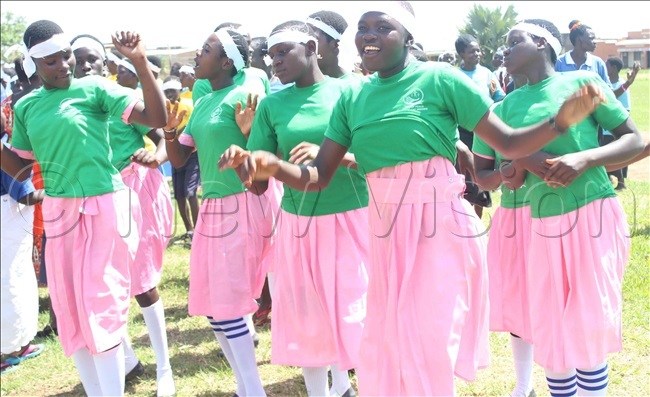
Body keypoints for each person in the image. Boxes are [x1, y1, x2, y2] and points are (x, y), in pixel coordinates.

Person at [218, 3, 613, 396]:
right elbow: (319, 176)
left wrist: (558, 123)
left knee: (430, 342)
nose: (368, 35)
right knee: (392, 349)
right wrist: (273, 165)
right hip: (385, 235)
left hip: (438, 229)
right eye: (363, 27)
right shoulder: (353, 97)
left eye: (381, 27)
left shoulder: (441, 79)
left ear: (407, 36)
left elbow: (507, 141)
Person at [1, 20, 167, 396]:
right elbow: (22, 165)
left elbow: (158, 120)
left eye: (65, 56)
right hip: (60, 213)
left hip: (104, 205)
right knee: (71, 305)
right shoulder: (27, 107)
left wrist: (140, 61)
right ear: (33, 64)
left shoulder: (95, 89)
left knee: (101, 301)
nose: (62, 65)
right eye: (50, 61)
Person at [493, 19, 643, 397]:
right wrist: (514, 167)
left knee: (589, 317)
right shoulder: (506, 105)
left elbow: (634, 141)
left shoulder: (580, 83)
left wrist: (585, 159)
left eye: (514, 41)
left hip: (591, 211)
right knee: (552, 323)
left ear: (543, 44)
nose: (505, 50)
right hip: (540, 220)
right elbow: (508, 170)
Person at [243, 20, 369, 397]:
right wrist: (245, 164)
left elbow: (379, 157)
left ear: (312, 47)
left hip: (354, 218)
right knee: (308, 319)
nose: (275, 61)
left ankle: (361, 385)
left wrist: (334, 156)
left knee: (359, 316)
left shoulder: (353, 90)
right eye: (271, 54)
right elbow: (258, 184)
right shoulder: (272, 104)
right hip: (300, 225)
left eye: (284, 52)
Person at [164, 27, 273, 397]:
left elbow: (263, 153)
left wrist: (249, 131)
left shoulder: (246, 94)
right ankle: (245, 387)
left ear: (226, 61)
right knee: (213, 306)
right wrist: (167, 131)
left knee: (228, 303)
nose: (197, 53)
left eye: (206, 49)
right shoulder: (205, 101)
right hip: (212, 206)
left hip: (243, 203)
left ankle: (253, 389)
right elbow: (180, 158)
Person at [71, 33, 176, 396]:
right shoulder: (67, 104)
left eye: (93, 60)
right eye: (77, 59)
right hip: (91, 201)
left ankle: (165, 369)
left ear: (107, 66)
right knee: (103, 286)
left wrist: (155, 157)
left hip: (133, 190)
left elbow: (163, 137)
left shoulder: (118, 98)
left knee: (142, 283)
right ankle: (127, 358)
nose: (85, 66)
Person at [472, 74, 537, 397]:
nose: (506, 52)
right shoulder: (494, 112)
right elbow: (483, 178)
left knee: (557, 300)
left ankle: (572, 380)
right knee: (516, 300)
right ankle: (524, 385)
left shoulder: (566, 100)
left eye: (514, 43)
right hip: (513, 217)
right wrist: (504, 173)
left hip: (562, 213)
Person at [1, 119, 45, 375]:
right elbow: (25, 195)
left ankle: (17, 343)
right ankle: (10, 349)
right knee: (11, 283)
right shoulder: (8, 153)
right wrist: (54, 193)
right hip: (8, 223)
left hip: (8, 223)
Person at [455, 33, 506, 219]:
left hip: (483, 131)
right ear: (461, 53)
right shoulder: (454, 76)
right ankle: (463, 216)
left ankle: (477, 219)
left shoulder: (487, 74)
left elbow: (499, 96)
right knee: (464, 178)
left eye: (478, 50)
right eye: (471, 51)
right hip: (462, 134)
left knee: (480, 177)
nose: (477, 54)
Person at [601, 57, 641, 190]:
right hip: (604, 128)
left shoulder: (622, 84)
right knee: (605, 154)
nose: (604, 67)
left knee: (618, 155)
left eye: (606, 65)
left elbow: (625, 108)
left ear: (613, 68)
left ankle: (621, 182)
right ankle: (608, 180)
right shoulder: (605, 84)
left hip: (614, 128)